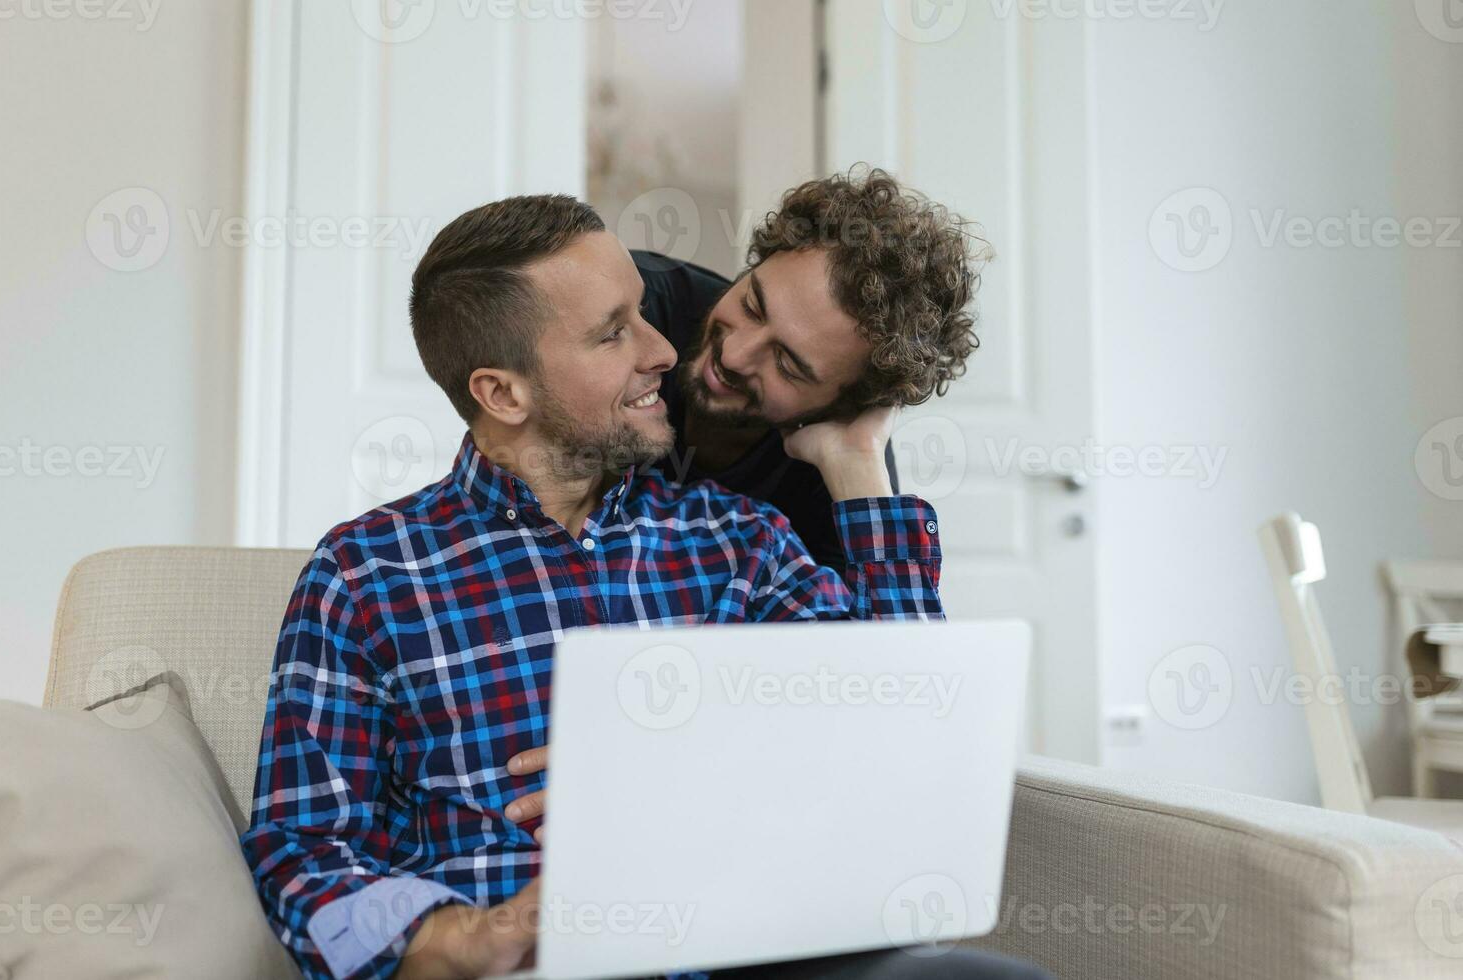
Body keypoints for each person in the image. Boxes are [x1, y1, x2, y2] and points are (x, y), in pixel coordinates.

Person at [241, 194, 1040, 980]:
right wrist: (458, 937)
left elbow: (911, 739)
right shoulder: (366, 575)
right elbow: (299, 848)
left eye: (643, 312)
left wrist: (683, 761)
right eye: (614, 331)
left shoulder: (740, 542)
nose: (667, 349)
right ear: (502, 392)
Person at [634, 165, 987, 576]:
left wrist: (855, 464)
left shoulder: (843, 447)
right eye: (751, 305)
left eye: (786, 363)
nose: (733, 355)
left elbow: (893, 637)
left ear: (837, 406)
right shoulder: (636, 310)